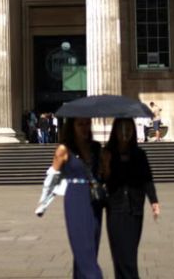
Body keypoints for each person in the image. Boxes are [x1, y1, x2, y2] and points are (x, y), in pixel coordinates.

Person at [102, 117, 159, 279]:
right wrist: (105, 167)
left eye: (128, 129)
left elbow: (147, 179)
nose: (125, 133)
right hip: (115, 208)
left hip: (135, 209)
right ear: (115, 132)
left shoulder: (139, 155)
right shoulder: (107, 154)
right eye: (121, 129)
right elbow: (101, 180)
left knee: (129, 254)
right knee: (119, 256)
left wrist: (154, 201)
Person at [50, 116, 104, 279]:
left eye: (87, 123)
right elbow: (52, 177)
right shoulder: (64, 149)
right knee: (83, 248)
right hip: (75, 198)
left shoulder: (96, 147)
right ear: (72, 126)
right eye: (80, 124)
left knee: (91, 248)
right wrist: (43, 204)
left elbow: (102, 173)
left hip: (94, 199)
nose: (84, 127)